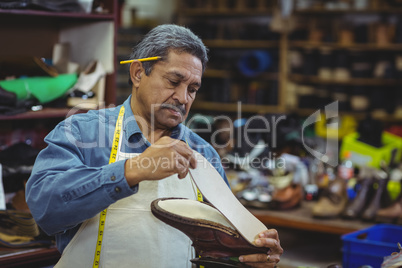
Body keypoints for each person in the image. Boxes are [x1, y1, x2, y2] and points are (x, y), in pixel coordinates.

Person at [26, 24, 283, 267]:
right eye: (173, 82)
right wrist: (132, 170)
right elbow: (45, 209)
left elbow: (220, 247)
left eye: (192, 89)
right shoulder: (83, 132)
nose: (183, 98)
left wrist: (249, 254)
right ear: (138, 73)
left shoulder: (203, 154)